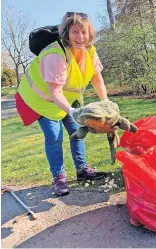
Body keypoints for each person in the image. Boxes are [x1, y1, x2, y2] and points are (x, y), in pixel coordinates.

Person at [16, 12, 109, 196]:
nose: (80, 37)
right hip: (41, 99)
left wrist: (106, 103)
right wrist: (72, 111)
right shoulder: (55, 54)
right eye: (75, 32)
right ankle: (59, 178)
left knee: (78, 132)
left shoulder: (90, 51)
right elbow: (55, 92)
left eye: (84, 32)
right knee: (54, 136)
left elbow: (97, 79)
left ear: (91, 33)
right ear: (66, 33)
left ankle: (82, 171)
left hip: (67, 98)